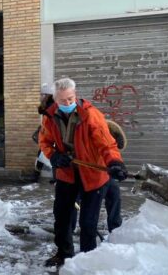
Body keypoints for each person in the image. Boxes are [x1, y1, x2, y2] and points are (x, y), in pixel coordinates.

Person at [40, 78, 127, 268]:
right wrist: (54, 156)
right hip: (67, 174)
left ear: (75, 94)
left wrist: (115, 162)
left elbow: (107, 144)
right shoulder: (50, 116)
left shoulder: (91, 115)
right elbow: (44, 142)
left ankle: (88, 261)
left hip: (93, 176)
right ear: (55, 100)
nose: (68, 103)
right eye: (63, 101)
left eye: (71, 98)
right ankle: (64, 254)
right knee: (62, 218)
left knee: (88, 223)